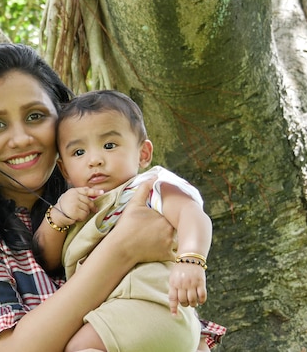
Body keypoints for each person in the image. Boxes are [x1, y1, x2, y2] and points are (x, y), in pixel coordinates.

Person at [0, 44, 224, 352]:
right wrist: (121, 249)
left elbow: (178, 322)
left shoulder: (107, 199)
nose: (22, 138)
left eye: (36, 116)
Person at [34, 89, 215, 352]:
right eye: (79, 152)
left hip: (153, 307)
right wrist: (59, 215)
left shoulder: (148, 187)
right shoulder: (77, 207)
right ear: (64, 170)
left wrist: (191, 259)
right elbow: (47, 259)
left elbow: (192, 214)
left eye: (109, 146)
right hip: (112, 315)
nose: (94, 160)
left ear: (143, 153)